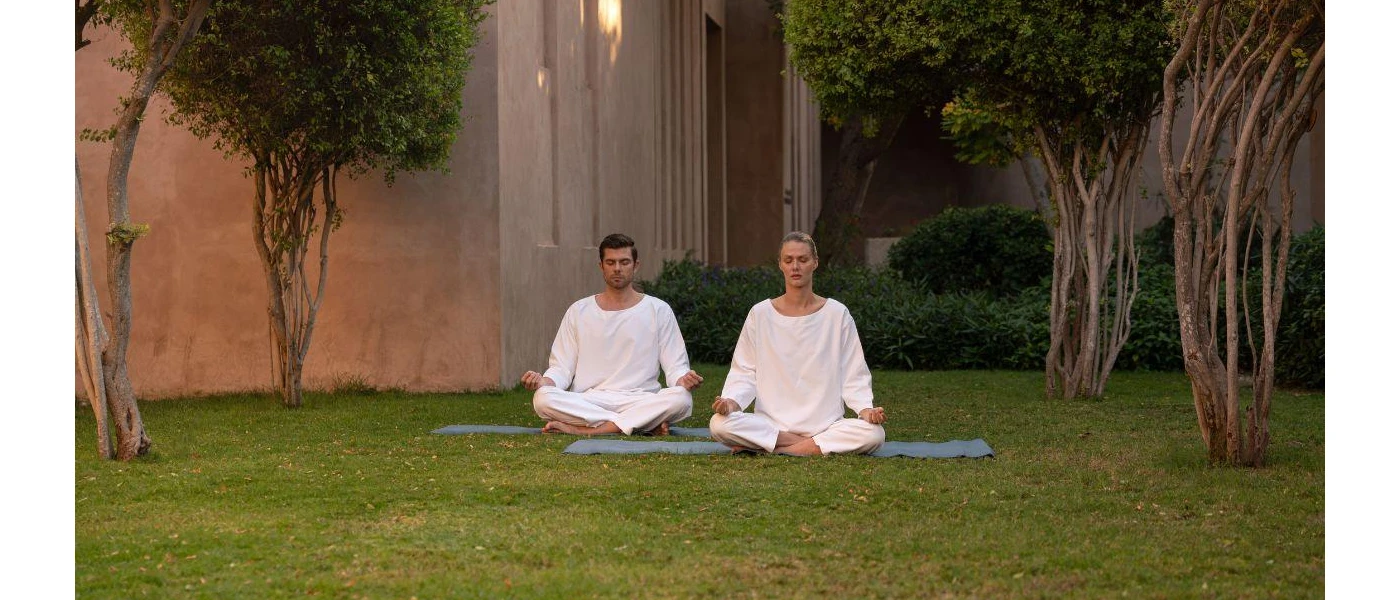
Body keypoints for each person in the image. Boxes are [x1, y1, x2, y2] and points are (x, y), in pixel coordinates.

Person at [709, 231, 886, 455]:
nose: (795, 266)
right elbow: (744, 371)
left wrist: (865, 409)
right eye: (789, 260)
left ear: (815, 263)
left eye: (803, 260)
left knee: (874, 434)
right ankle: (809, 445)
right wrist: (731, 402)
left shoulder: (837, 314)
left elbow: (854, 373)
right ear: (780, 265)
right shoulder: (760, 314)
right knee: (719, 424)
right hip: (771, 425)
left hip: (826, 425)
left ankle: (773, 448)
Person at [521, 233, 704, 435]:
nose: (617, 268)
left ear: (636, 265)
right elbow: (561, 368)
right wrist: (542, 382)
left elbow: (676, 367)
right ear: (601, 266)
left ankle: (589, 429)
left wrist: (684, 380)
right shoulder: (579, 311)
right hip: (590, 400)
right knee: (543, 398)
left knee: (681, 398)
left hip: (640, 399)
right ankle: (640, 424)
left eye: (624, 262)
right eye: (611, 262)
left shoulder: (658, 310)